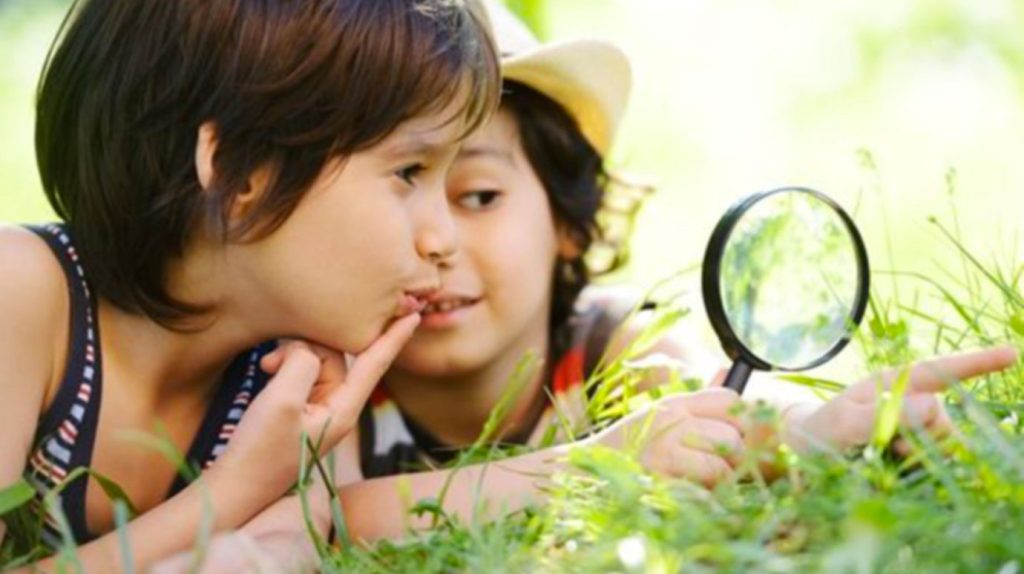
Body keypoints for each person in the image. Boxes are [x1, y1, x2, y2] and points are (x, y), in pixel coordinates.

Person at [159, 4, 1017, 570]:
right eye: (406, 183)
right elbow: (328, 518)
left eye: (480, 196)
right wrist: (588, 468)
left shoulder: (610, 345)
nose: (442, 239)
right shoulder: (335, 370)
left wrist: (812, 426)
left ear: (568, 221)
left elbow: (710, 401)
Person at [0, 0, 500, 571]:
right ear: (241, 173)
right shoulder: (22, 293)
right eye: (409, 172)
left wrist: (598, 458)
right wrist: (236, 490)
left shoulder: (291, 376)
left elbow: (345, 529)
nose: (444, 240)